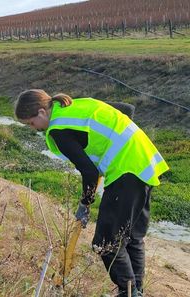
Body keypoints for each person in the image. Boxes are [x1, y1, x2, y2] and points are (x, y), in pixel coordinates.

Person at [14, 89, 169, 297]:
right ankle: (134, 291)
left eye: (31, 123)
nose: (34, 129)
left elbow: (89, 171)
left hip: (126, 169)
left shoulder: (59, 129)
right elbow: (125, 109)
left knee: (105, 243)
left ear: (42, 112)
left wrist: (85, 204)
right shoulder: (73, 105)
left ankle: (129, 293)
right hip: (144, 161)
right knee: (131, 237)